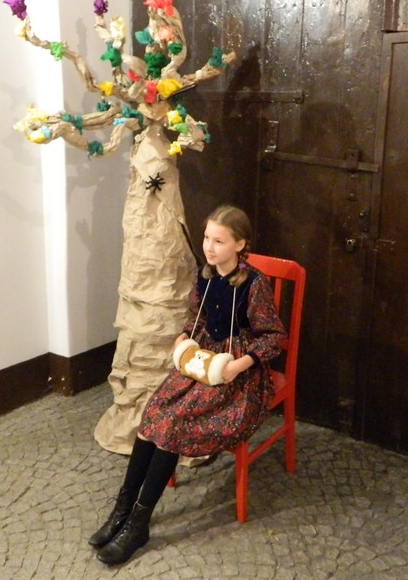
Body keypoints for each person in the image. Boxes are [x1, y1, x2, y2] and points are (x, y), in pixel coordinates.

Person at [90, 204, 287, 565]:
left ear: (240, 244)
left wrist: (240, 364)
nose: (209, 247)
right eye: (207, 238)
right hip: (204, 358)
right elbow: (197, 316)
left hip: (238, 374)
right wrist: (185, 335)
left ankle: (140, 522)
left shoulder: (254, 284)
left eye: (219, 241)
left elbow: (274, 337)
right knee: (154, 411)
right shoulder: (205, 275)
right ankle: (123, 508)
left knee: (174, 423)